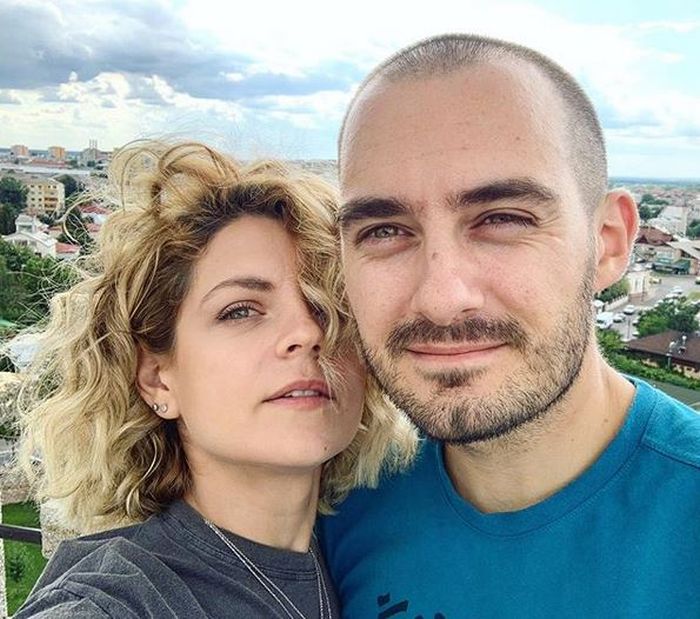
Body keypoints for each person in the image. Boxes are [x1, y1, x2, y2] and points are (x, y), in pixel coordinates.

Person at [318, 34, 700, 618]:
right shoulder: (337, 507)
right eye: (384, 231)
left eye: (502, 219)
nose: (442, 299)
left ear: (608, 242)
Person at [13, 141, 416, 618]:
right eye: (240, 310)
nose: (308, 333)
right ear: (158, 380)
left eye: (330, 308)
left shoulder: (374, 549)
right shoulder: (122, 598)